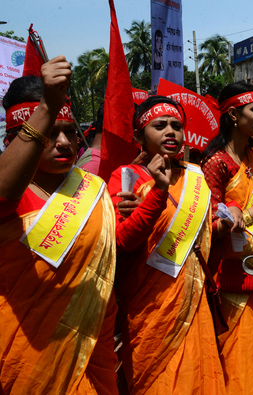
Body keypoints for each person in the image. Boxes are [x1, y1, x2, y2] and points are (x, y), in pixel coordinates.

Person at [0, 57, 118, 394]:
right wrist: (47, 107)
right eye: (50, 134)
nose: (65, 142)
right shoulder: (11, 193)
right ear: (16, 140)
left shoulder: (94, 188)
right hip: (23, 364)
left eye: (69, 131)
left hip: (89, 357)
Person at [108, 96, 226, 394]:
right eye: (159, 126)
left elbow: (205, 235)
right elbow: (122, 242)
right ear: (139, 136)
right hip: (149, 305)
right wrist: (156, 193)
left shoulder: (195, 175)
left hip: (193, 298)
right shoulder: (126, 177)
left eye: (176, 125)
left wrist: (236, 214)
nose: (170, 132)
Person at [200, 82, 253, 394]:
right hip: (231, 274)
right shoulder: (215, 163)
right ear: (235, 115)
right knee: (237, 350)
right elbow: (211, 227)